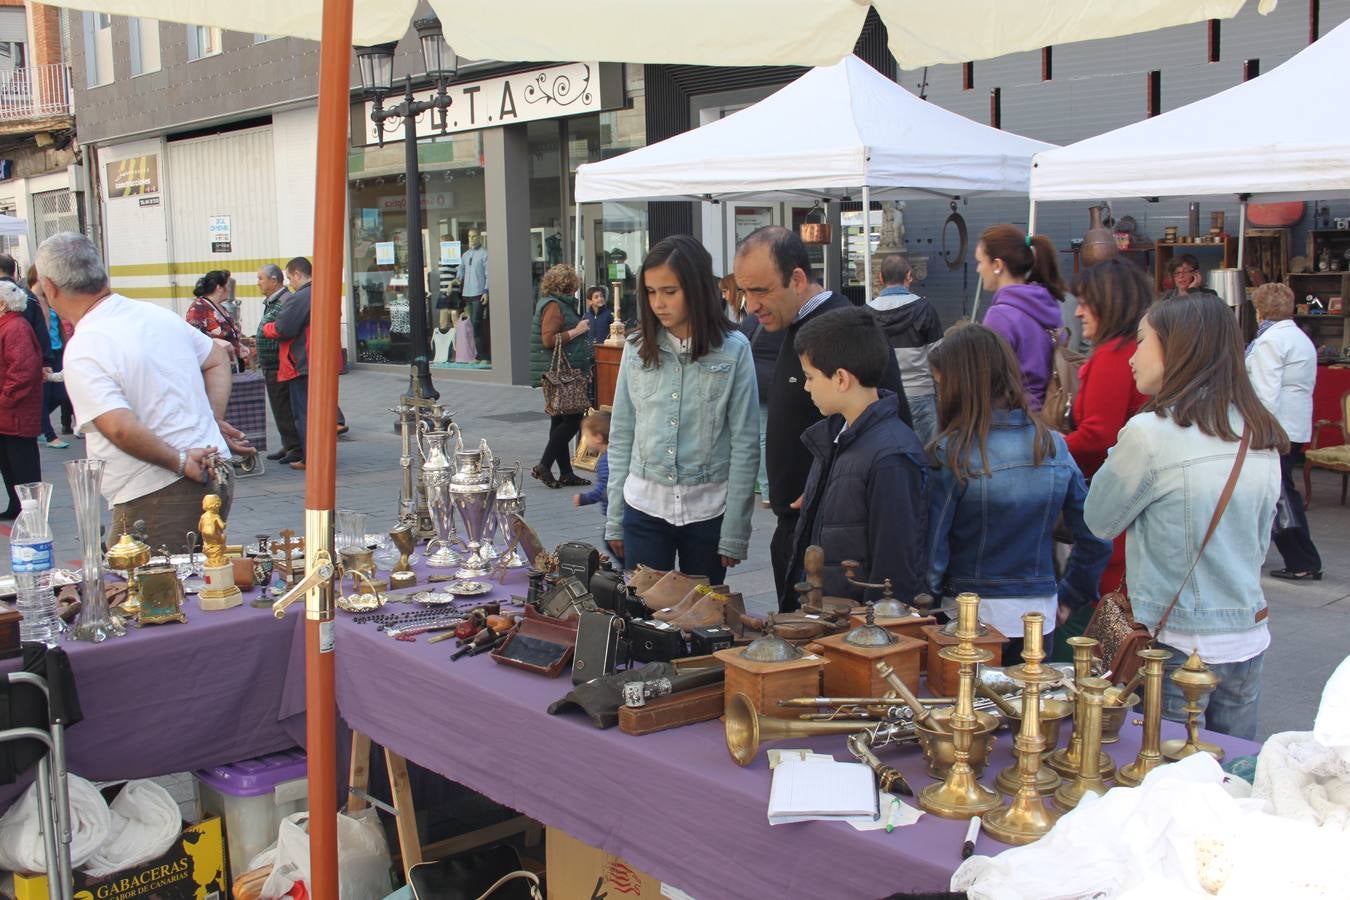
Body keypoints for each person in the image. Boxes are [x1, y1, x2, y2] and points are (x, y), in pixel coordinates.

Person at [1085, 294, 1284, 739]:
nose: (1133, 357)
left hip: (1173, 644)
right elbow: (1257, 540)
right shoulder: (1259, 429)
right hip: (1247, 637)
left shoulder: (1151, 433)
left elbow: (1098, 519)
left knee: (1166, 786)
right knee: (1232, 777)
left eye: (1141, 342)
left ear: (1176, 348)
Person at [36, 232, 252, 549]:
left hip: (157, 488)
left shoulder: (86, 344)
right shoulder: (155, 315)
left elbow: (119, 428)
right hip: (208, 472)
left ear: (50, 288)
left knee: (146, 591)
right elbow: (217, 357)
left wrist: (179, 459)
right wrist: (209, 419)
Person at [733, 225, 911, 608]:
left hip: (831, 541)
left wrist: (824, 486)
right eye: (744, 291)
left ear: (797, 278)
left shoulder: (844, 328)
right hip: (799, 533)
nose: (750, 305)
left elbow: (887, 424)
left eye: (760, 291)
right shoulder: (790, 324)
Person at [927, 324, 1110, 665]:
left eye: (940, 384)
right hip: (1037, 612)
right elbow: (1096, 535)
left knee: (966, 715)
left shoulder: (951, 452)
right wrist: (1069, 596)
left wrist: (926, 602)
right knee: (1032, 715)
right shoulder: (1052, 445)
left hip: (964, 616)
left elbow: (933, 552)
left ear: (958, 385)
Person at [606, 235, 759, 585]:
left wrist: (735, 527)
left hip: (709, 510)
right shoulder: (636, 347)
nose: (658, 303)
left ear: (697, 288)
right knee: (643, 622)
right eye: (650, 292)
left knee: (705, 622)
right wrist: (615, 517)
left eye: (669, 291)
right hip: (643, 506)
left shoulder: (734, 350)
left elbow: (746, 444)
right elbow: (621, 435)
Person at [791, 306, 927, 604]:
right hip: (834, 616)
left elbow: (894, 570)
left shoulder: (891, 455)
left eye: (810, 377)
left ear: (841, 378)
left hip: (860, 630)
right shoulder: (838, 436)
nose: (806, 386)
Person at [1054, 259, 1153, 652]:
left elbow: (1098, 437)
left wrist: (1046, 450)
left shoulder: (1114, 356)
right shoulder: (1128, 350)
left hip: (1117, 509)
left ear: (1107, 303)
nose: (1078, 312)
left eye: (1084, 302)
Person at [1246, 282, 1321, 580]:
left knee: (1278, 495)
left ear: (1260, 310)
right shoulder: (1298, 337)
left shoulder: (1270, 342)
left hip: (1276, 427)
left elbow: (1265, 392)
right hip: (1296, 423)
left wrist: (1257, 431)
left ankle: (1302, 558)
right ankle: (1297, 556)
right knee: (1279, 491)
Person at [261, 256, 346, 471]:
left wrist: (266, 328)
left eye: (290, 278)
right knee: (319, 412)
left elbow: (283, 328)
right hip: (323, 361)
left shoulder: (301, 297)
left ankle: (311, 458)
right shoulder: (325, 292)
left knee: (305, 414)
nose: (290, 283)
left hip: (303, 362)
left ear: (298, 274)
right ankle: (320, 454)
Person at [978, 225, 1067, 413]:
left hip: (1012, 418)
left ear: (997, 265)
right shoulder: (1046, 302)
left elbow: (988, 380)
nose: (978, 269)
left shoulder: (1000, 315)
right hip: (1050, 413)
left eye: (980, 262)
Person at [867, 253, 943, 444]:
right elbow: (939, 358)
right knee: (928, 457)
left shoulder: (866, 314)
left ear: (881, 278)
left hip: (881, 397)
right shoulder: (925, 309)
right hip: (921, 393)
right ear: (909, 275)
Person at [529, 264, 593, 489]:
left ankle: (566, 472)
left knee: (559, 419)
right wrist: (579, 330)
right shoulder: (555, 306)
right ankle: (544, 465)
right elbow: (549, 339)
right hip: (561, 374)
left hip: (558, 373)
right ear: (568, 285)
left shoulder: (554, 303)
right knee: (572, 420)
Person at [0, 280, 43, 520]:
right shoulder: (7, 325)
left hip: (15, 410)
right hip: (7, 410)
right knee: (8, 462)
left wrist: (6, 398)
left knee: (22, 462)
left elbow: (23, 370)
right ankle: (16, 506)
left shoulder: (15, 327)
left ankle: (31, 510)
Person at [254, 264, 303, 464]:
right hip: (271, 363)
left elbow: (284, 328)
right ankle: (288, 443)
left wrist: (266, 331)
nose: (258, 283)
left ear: (274, 280)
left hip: (280, 363)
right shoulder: (272, 301)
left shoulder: (285, 300)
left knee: (284, 406)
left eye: (261, 278)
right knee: (278, 406)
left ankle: (295, 446)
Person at [737, 307, 783, 502]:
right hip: (779, 383)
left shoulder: (749, 322)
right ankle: (774, 487)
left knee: (763, 438)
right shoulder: (781, 320)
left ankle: (766, 491)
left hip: (756, 382)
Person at [30, 270, 72, 450]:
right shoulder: (30, 300)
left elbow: (59, 326)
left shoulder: (49, 299)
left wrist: (67, 344)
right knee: (45, 395)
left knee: (61, 393)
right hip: (44, 354)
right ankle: (48, 433)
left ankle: (37, 425)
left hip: (57, 351)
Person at [186, 270, 246, 368]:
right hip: (216, 367)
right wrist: (218, 343)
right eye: (228, 286)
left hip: (231, 365)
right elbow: (195, 338)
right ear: (219, 288)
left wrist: (238, 347)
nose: (229, 290)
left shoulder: (222, 308)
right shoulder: (198, 308)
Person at [573, 410, 611, 515]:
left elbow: (605, 489)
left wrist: (584, 498)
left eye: (586, 436)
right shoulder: (613, 455)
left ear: (598, 438)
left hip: (615, 514)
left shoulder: (605, 461)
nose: (584, 440)